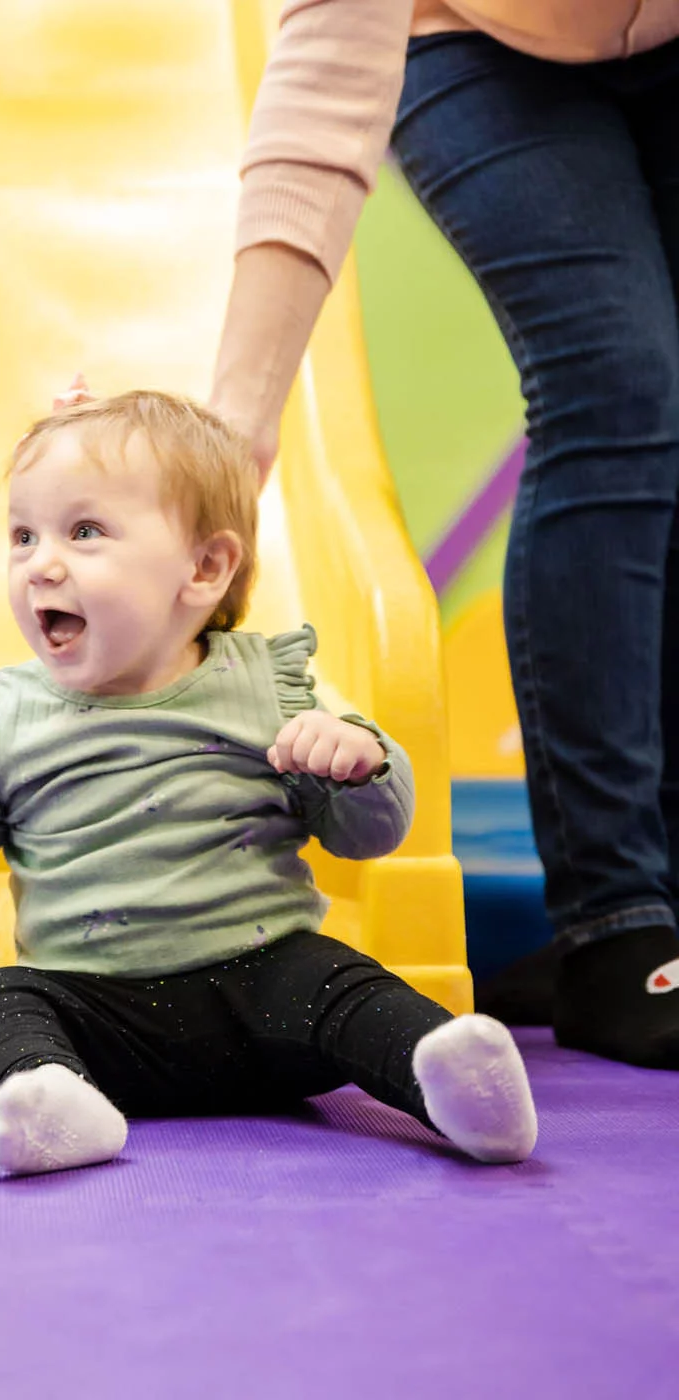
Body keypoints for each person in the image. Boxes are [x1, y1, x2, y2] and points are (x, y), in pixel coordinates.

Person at [0, 391, 538, 1176]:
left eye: (85, 531)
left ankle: (451, 1085)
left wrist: (361, 761)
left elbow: (368, 836)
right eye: (23, 535)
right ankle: (52, 1100)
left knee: (341, 980)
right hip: (101, 1026)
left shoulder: (271, 688)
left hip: (268, 997)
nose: (42, 562)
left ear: (203, 569)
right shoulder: (4, 723)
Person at [208, 1, 679, 1070]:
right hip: (466, 36)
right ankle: (617, 920)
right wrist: (239, 421)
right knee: (614, 381)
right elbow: (324, 90)